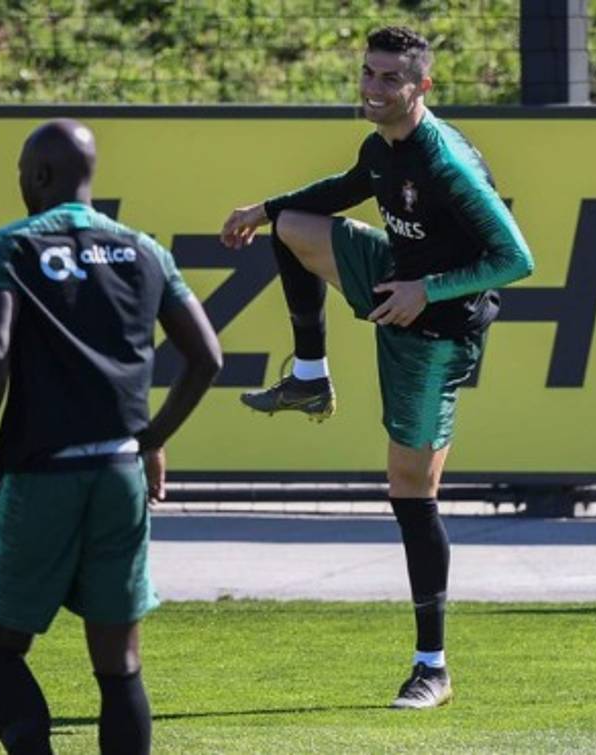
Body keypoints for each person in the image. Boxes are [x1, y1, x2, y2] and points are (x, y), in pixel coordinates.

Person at [219, 25, 534, 709]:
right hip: (396, 282)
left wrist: (429, 289)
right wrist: (265, 207)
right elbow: (344, 187)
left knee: (411, 490)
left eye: (391, 78)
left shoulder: (444, 161)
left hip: (438, 328)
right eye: (368, 72)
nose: (373, 86)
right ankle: (309, 375)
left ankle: (432, 666)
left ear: (423, 87)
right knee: (295, 228)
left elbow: (516, 259)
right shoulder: (379, 146)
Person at [0, 119, 222, 754]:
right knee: (119, 664)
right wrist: (152, 438)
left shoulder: (10, 247)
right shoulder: (145, 249)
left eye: (25, 170)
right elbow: (207, 357)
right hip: (119, 472)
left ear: (40, 176)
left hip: (41, 476)